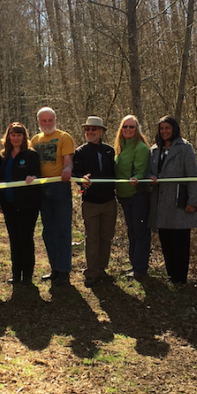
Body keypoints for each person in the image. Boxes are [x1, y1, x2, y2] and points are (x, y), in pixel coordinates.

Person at [147, 116, 197, 285]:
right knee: (166, 240)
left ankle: (180, 278)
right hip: (161, 203)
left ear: (174, 129)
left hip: (179, 201)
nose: (164, 131)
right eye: (161, 128)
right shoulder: (155, 149)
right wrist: (151, 177)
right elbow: (148, 171)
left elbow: (192, 175)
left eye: (167, 128)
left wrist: (193, 201)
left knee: (180, 241)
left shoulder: (185, 148)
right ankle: (171, 275)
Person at [30, 107, 75, 286]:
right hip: (41, 188)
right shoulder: (34, 140)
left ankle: (64, 270)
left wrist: (67, 169)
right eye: (43, 121)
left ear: (55, 120)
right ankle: (54, 268)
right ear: (38, 122)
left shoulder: (64, 137)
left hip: (60, 187)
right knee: (48, 230)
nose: (47, 124)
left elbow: (69, 162)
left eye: (50, 120)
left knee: (62, 229)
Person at [73, 116, 117, 287]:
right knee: (92, 237)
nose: (90, 132)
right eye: (87, 129)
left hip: (109, 201)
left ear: (101, 132)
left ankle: (101, 269)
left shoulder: (110, 151)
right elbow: (76, 174)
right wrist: (81, 179)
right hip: (90, 202)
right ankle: (91, 272)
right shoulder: (80, 152)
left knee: (106, 236)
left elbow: (115, 173)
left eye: (94, 129)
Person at [0, 122, 41, 285]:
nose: (16, 138)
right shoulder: (3, 156)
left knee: (25, 238)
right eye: (13, 135)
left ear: (24, 137)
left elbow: (37, 175)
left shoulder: (31, 155)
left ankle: (27, 274)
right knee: (13, 239)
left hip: (27, 205)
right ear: (8, 137)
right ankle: (16, 273)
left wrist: (33, 178)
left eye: (19, 135)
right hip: (9, 204)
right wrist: (1, 202)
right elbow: (1, 180)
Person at [114, 115, 152, 280]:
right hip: (123, 196)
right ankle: (134, 265)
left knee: (140, 232)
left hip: (138, 195)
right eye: (125, 127)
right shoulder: (119, 147)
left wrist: (136, 178)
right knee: (131, 231)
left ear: (137, 130)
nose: (128, 130)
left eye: (131, 127)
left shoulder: (141, 148)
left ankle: (140, 269)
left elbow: (141, 170)